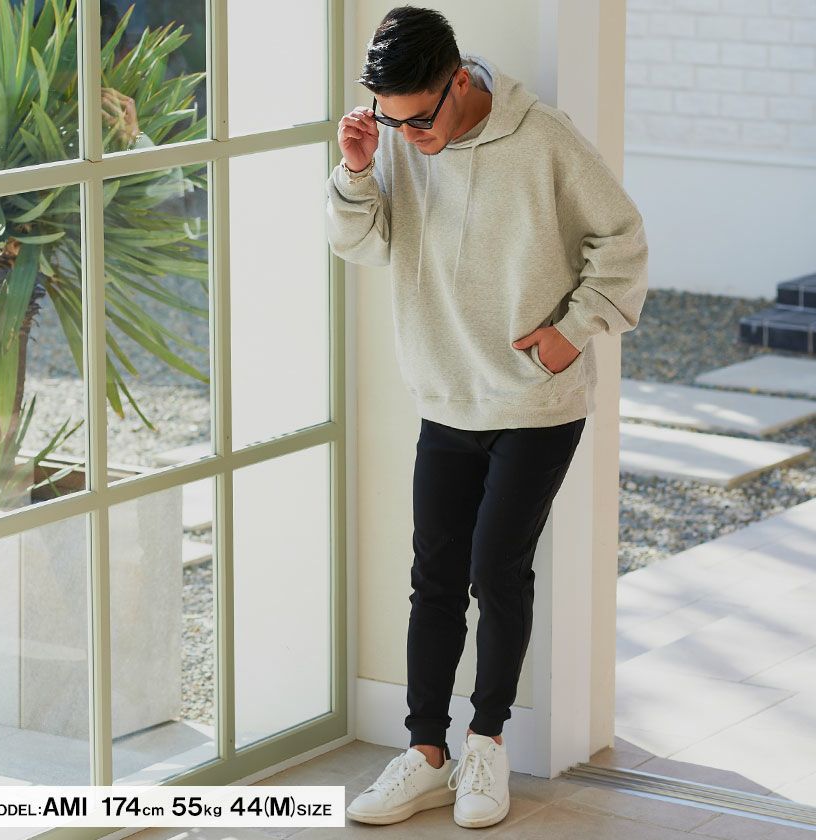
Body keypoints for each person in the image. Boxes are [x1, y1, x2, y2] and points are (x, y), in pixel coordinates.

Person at [325, 5, 648, 830]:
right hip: (445, 392)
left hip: (536, 403)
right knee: (434, 576)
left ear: (458, 80)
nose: (409, 137)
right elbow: (361, 246)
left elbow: (622, 240)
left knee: (496, 572)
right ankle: (425, 754)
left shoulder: (543, 139)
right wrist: (357, 170)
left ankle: (487, 745)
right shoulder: (397, 141)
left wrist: (573, 332)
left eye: (419, 120)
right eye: (392, 123)